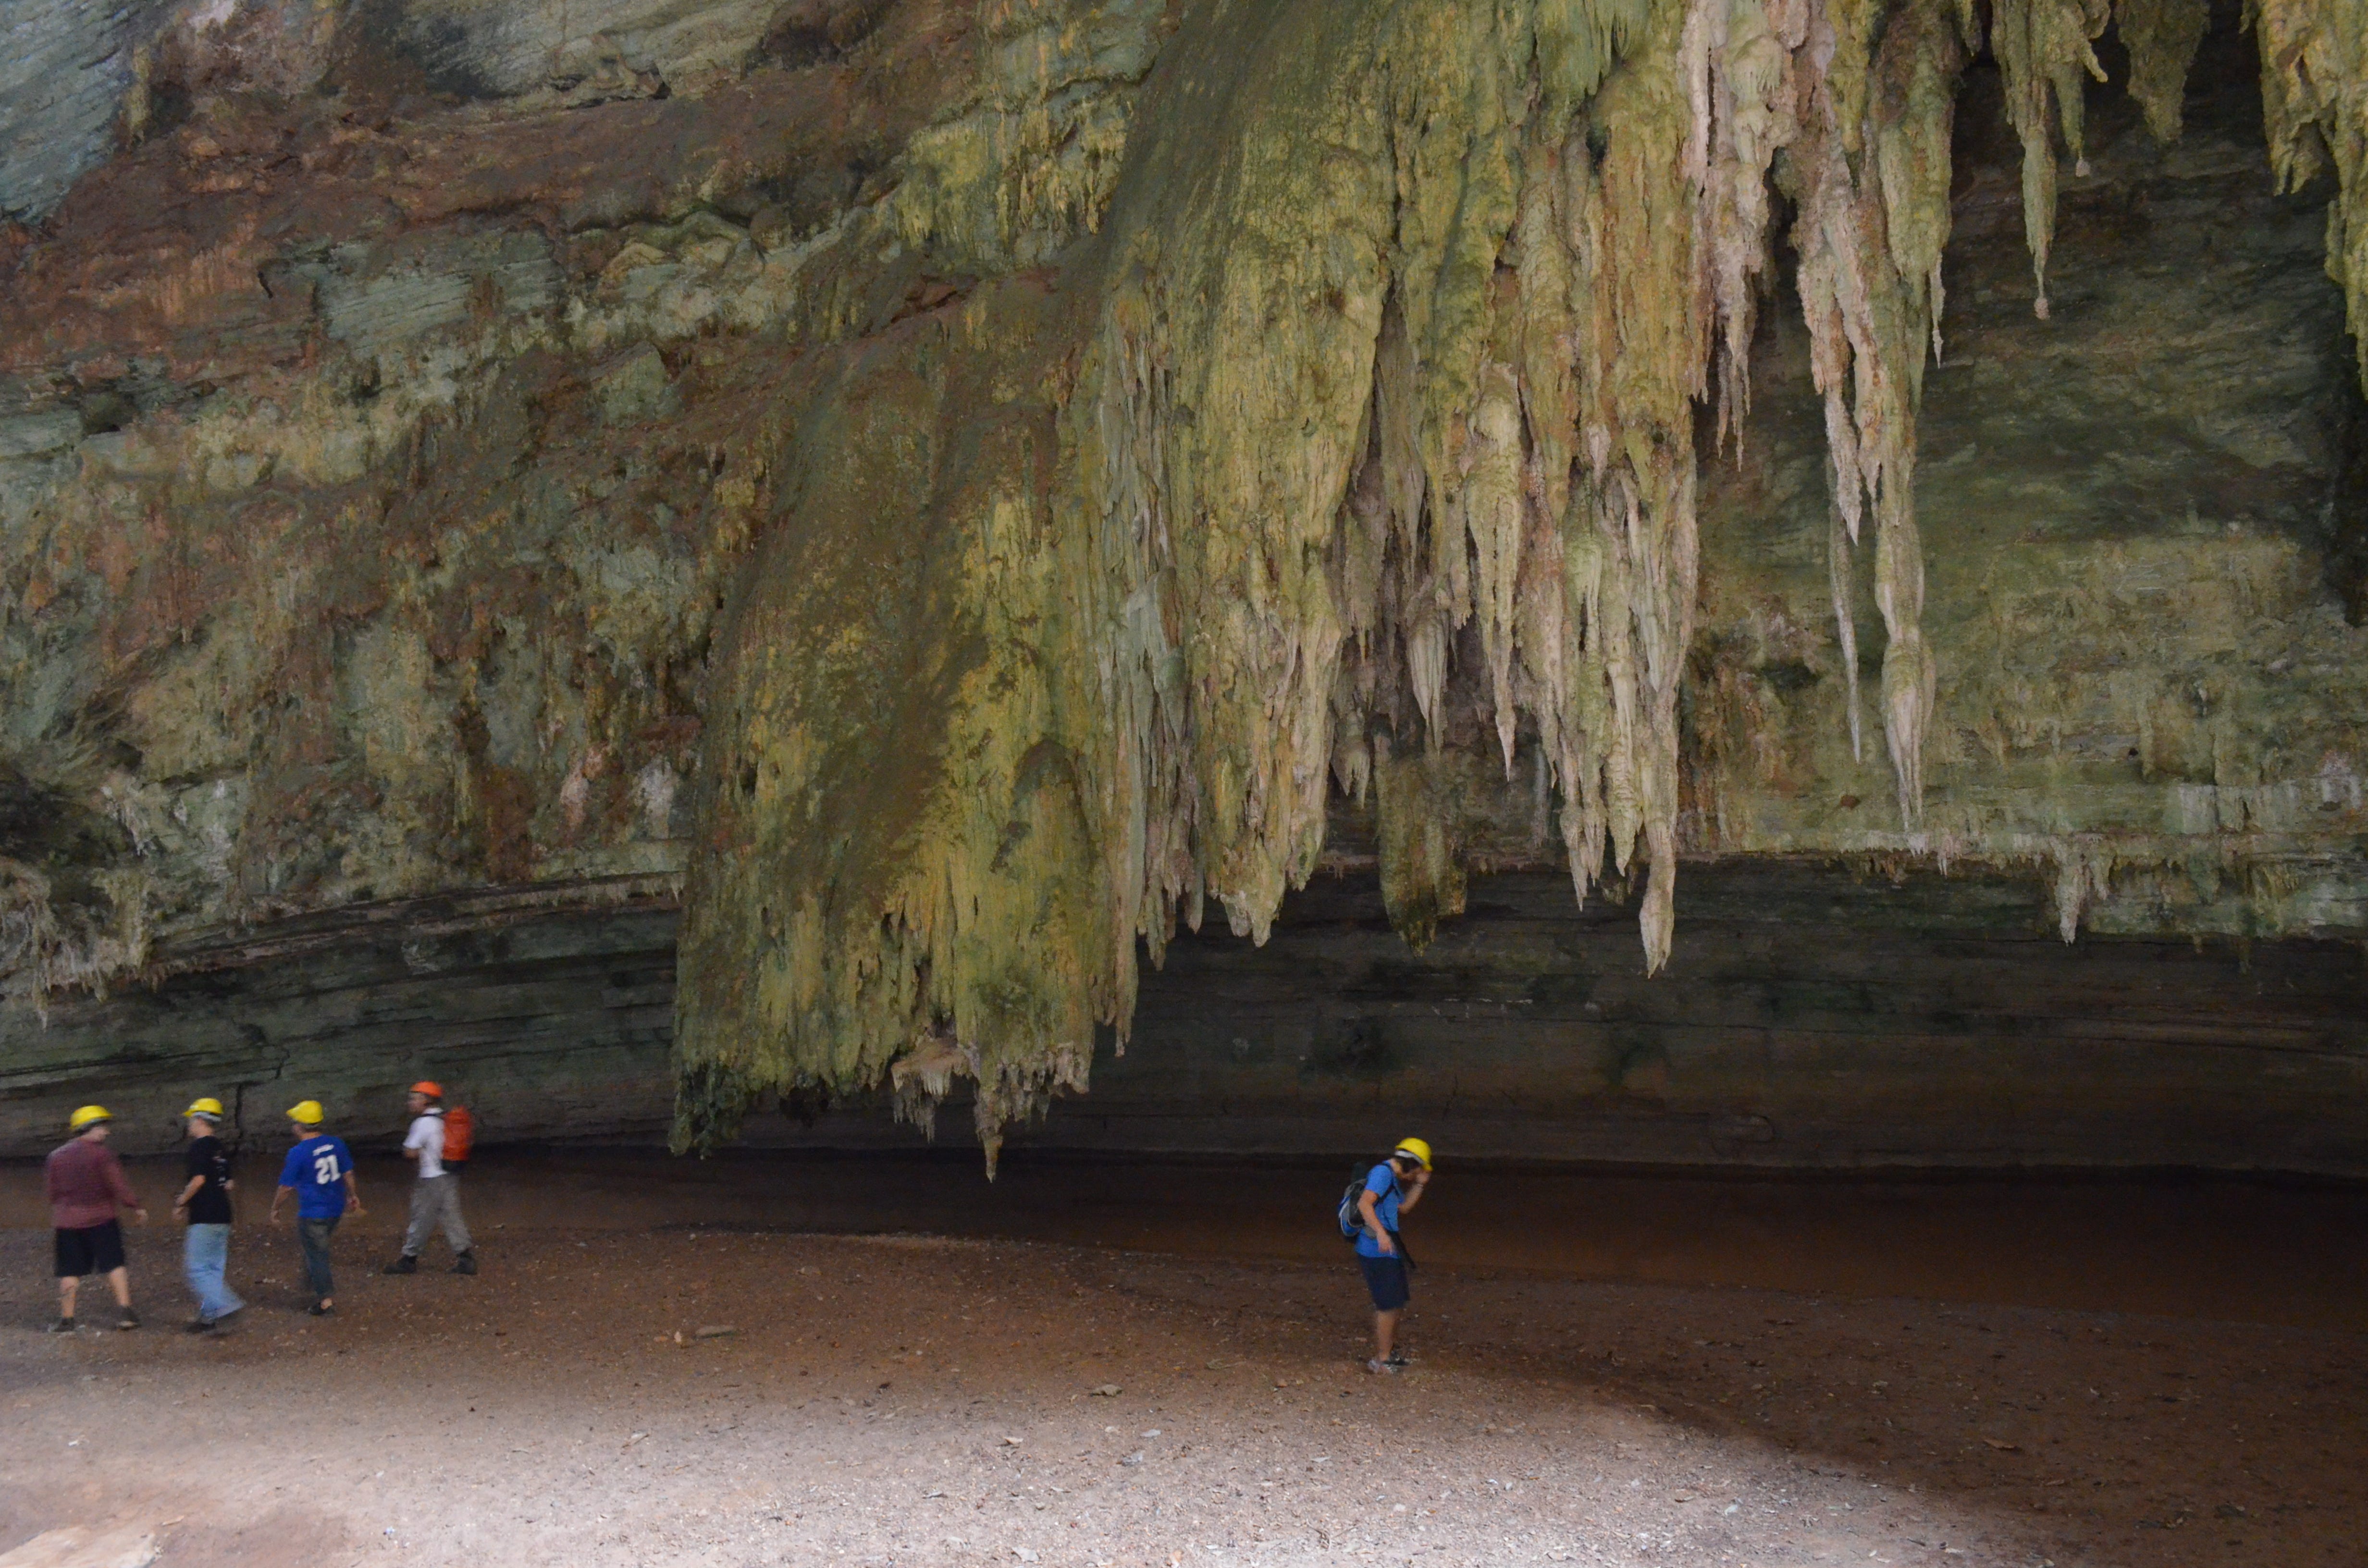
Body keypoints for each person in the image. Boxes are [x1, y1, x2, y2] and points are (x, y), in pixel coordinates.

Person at [44, 1105, 147, 1333]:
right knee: (114, 1264)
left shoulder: (55, 1157)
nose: (106, 1132)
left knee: (69, 1271)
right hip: (102, 1219)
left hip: (67, 1223)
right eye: (102, 1127)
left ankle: (67, 1321)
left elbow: (52, 1192)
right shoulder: (102, 1155)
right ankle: (126, 1313)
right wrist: (135, 1206)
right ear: (88, 1128)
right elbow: (117, 1184)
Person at [268, 1102, 363, 1315]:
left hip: (313, 1213)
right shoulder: (336, 1144)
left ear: (300, 1126)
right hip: (335, 1209)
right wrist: (353, 1195)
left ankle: (325, 1302)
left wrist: (275, 1209)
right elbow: (347, 1173)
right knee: (315, 1248)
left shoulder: (298, 1152)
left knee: (317, 1255)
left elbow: (286, 1187)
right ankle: (310, 1280)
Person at [1353, 1137, 1432, 1374]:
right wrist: (1381, 1234)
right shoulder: (1382, 1174)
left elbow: (1403, 1208)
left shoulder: (1391, 1177)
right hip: (1376, 1250)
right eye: (1418, 1169)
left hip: (1388, 1250)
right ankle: (1382, 1359)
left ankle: (1389, 1352)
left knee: (1395, 1303)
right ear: (1410, 1163)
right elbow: (1364, 1205)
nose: (1417, 1174)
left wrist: (1419, 1185)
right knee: (1388, 1305)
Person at [383, 1080, 475, 1276]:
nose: (410, 1102)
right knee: (451, 1216)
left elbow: (410, 1152)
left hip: (431, 1178)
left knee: (421, 1217)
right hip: (448, 1175)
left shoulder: (423, 1123)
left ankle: (409, 1259)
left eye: (414, 1098)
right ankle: (466, 1258)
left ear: (426, 1100)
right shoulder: (445, 1119)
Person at [172, 1097, 245, 1333]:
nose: (190, 1124)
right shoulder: (219, 1148)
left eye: (192, 1120)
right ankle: (209, 1319)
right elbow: (230, 1184)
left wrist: (182, 1201)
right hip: (223, 1213)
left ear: (200, 1120)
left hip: (205, 1215)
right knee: (213, 1269)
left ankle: (227, 1304)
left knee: (197, 1269)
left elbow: (199, 1180)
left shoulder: (199, 1147)